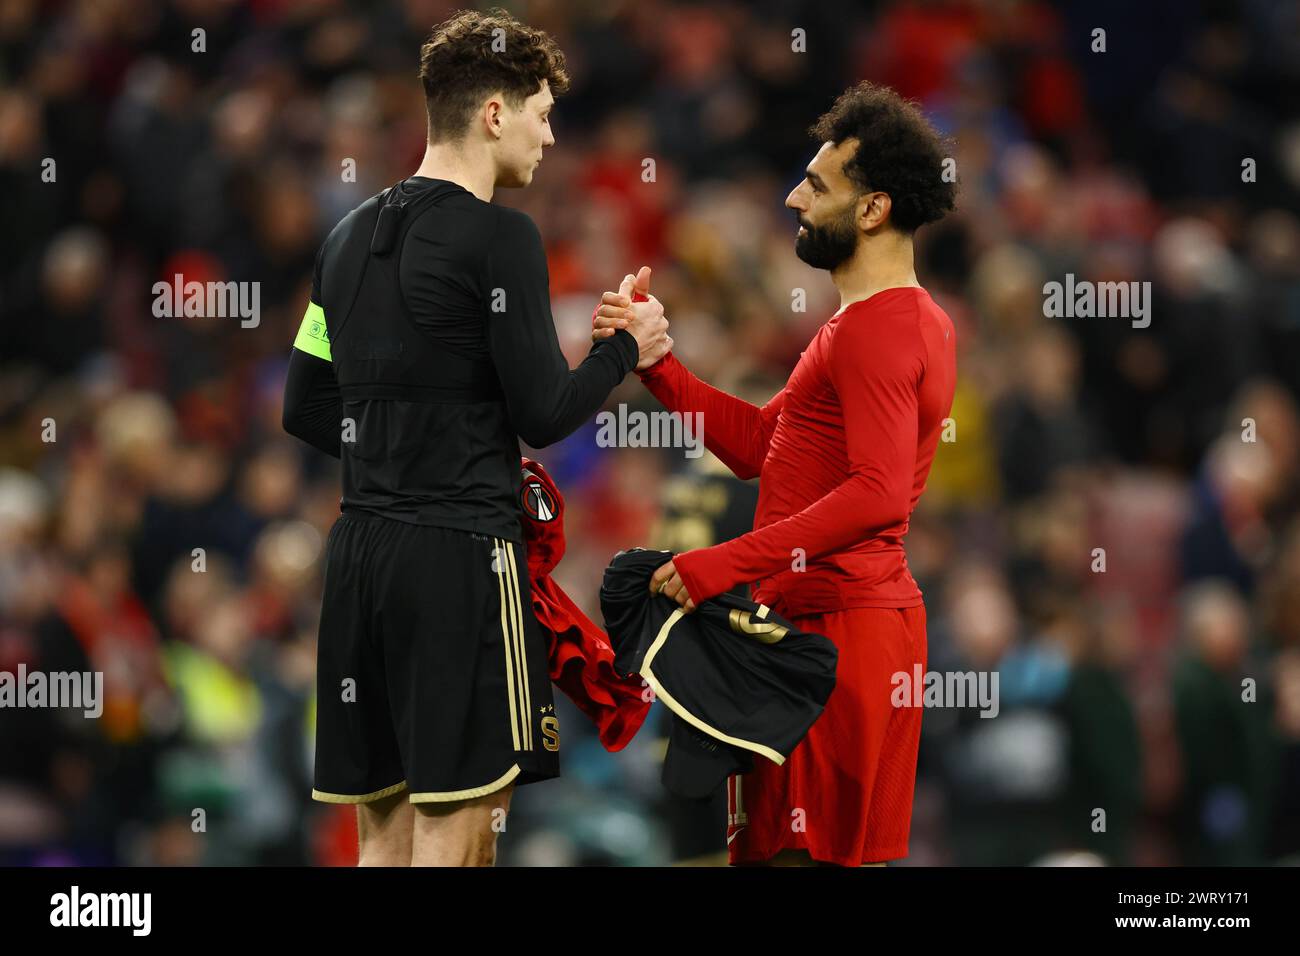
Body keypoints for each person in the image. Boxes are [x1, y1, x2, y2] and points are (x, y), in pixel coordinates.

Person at [282, 9, 669, 867]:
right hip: (459, 560)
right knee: (459, 836)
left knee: (381, 836)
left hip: (358, 560)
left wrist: (400, 449)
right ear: (494, 113)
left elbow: (304, 406)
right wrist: (623, 350)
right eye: (540, 111)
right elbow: (544, 410)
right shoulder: (501, 236)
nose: (551, 133)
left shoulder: (342, 242)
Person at [594, 81, 957, 866]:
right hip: (845, 628)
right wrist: (660, 367)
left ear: (873, 210)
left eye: (817, 185)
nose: (793, 197)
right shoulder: (882, 321)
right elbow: (767, 445)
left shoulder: (878, 332)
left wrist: (721, 563)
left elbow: (878, 493)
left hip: (839, 632)